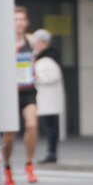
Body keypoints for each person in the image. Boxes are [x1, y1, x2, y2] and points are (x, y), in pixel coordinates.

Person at [1, 7, 38, 185]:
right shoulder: (4, 42)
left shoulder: (30, 41)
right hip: (9, 91)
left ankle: (29, 163)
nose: (20, 22)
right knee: (10, 134)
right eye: (16, 19)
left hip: (27, 89)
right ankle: (7, 167)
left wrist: (35, 72)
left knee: (32, 125)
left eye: (22, 19)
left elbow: (33, 62)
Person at [31, 29, 63, 164]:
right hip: (46, 99)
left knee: (50, 127)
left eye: (37, 42)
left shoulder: (48, 59)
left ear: (43, 43)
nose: (35, 45)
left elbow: (52, 77)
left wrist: (36, 78)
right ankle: (51, 152)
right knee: (50, 127)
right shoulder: (43, 57)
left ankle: (51, 153)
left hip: (49, 99)